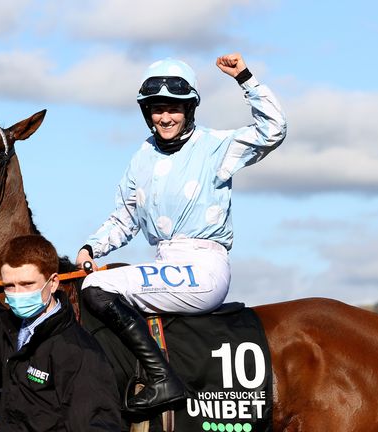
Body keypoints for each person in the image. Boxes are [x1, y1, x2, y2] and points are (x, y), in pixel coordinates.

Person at [75, 53, 287, 413]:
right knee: (94, 287)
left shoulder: (216, 146)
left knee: (97, 288)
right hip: (165, 265)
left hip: (204, 269)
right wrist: (90, 247)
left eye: (174, 108)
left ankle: (164, 381)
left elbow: (273, 129)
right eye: (157, 109)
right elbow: (125, 217)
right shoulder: (141, 157)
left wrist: (245, 79)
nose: (165, 117)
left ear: (189, 109)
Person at [0, 223, 122, 431]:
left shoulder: (79, 353)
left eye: (27, 284)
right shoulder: (11, 332)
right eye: (9, 286)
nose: (18, 293)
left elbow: (98, 424)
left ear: (52, 283)